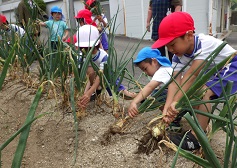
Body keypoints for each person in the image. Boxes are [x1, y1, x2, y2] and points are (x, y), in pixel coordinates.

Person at [152, 11, 237, 151]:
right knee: (195, 93)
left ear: (189, 35)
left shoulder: (204, 44)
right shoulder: (177, 56)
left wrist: (176, 102)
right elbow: (175, 82)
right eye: (167, 47)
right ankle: (198, 129)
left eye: (173, 44)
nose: (171, 50)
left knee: (205, 92)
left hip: (232, 66)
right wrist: (168, 108)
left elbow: (191, 76)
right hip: (216, 73)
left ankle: (196, 138)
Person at [76, 25, 136, 108]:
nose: (87, 50)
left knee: (125, 94)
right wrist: (85, 94)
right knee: (92, 82)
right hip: (93, 78)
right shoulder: (81, 56)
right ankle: (97, 91)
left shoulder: (103, 56)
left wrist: (88, 93)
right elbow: (89, 74)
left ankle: (141, 96)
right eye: (84, 48)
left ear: (97, 44)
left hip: (108, 77)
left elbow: (100, 76)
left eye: (89, 47)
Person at [128, 47, 173, 118]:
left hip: (180, 100)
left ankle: (171, 117)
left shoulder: (163, 71)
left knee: (156, 94)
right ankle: (169, 114)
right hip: (177, 98)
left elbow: (150, 87)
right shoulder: (164, 69)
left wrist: (134, 102)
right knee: (155, 93)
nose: (145, 73)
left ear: (154, 61)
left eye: (145, 69)